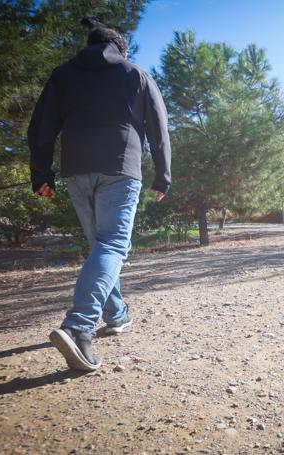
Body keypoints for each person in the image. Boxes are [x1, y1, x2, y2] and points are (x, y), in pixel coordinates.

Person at [28, 27, 171, 371]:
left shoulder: (62, 75)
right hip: (121, 167)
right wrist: (162, 175)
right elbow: (159, 127)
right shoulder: (135, 73)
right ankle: (78, 327)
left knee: (101, 246)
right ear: (120, 49)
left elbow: (40, 128)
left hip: (76, 169)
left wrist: (41, 175)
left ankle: (117, 313)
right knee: (112, 245)